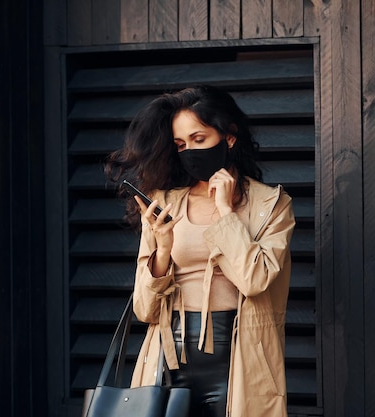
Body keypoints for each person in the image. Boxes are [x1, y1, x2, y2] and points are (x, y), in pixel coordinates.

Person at [105, 85, 295, 417]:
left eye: (199, 139)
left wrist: (225, 213)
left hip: (241, 358)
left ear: (229, 136)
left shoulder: (271, 204)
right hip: (168, 356)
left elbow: (254, 281)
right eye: (181, 145)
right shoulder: (165, 203)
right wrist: (162, 251)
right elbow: (145, 310)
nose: (190, 151)